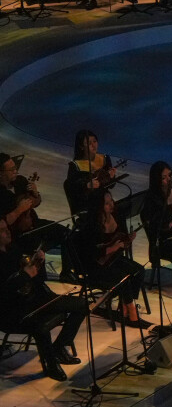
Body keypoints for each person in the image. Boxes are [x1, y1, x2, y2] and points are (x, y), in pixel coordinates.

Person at [0, 219, 86, 381]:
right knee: (40, 325)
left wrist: (38, 264)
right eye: (2, 230)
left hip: (36, 298)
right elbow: (4, 293)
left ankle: (59, 348)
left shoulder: (13, 249)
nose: (8, 232)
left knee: (81, 304)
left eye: (7, 228)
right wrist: (26, 275)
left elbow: (36, 280)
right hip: (13, 310)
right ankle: (50, 365)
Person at [81, 188, 151, 327]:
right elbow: (91, 254)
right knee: (123, 278)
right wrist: (114, 247)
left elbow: (121, 242)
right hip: (97, 266)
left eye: (111, 200)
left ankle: (126, 304)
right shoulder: (91, 225)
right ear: (98, 207)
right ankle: (131, 314)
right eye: (107, 203)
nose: (112, 204)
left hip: (113, 259)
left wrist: (128, 240)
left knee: (138, 271)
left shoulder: (117, 217)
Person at [63, 129, 119, 216]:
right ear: (81, 146)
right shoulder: (75, 165)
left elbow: (111, 185)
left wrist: (112, 177)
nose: (93, 145)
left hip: (105, 201)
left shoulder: (105, 158)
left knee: (120, 211)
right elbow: (71, 188)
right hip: (87, 204)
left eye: (95, 141)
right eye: (89, 143)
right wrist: (87, 185)